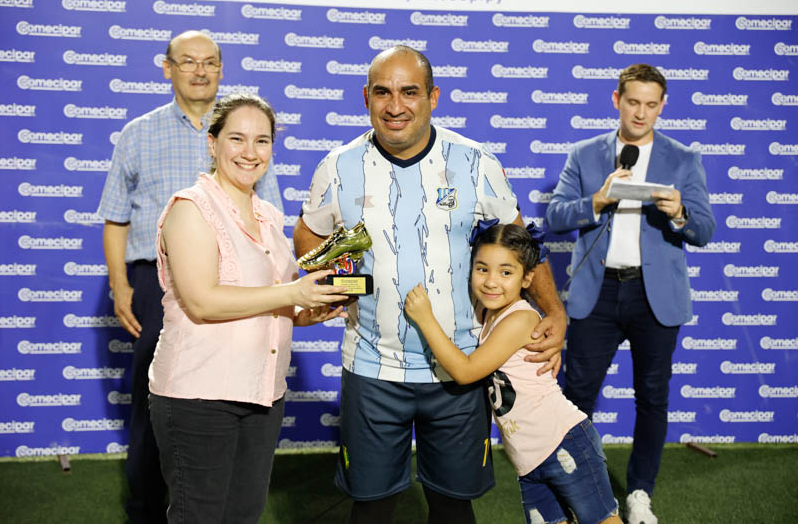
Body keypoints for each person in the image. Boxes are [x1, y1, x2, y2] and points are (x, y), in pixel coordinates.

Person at [293, 45, 568, 524]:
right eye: (382, 92)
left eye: (409, 92)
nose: (395, 105)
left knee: (451, 504)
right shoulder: (337, 165)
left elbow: (521, 244)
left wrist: (555, 312)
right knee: (372, 506)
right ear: (366, 98)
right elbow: (309, 235)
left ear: (433, 97)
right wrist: (336, 282)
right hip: (371, 368)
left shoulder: (476, 162)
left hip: (459, 368)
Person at [97, 31, 282, 523]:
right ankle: (146, 509)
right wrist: (120, 286)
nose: (199, 71)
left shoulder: (245, 134)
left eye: (209, 62)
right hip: (162, 286)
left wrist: (301, 300)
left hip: (248, 279)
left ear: (221, 69)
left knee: (237, 476)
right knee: (160, 408)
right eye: (187, 62)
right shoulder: (140, 133)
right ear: (168, 68)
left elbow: (270, 231)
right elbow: (115, 217)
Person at [148, 93, 348, 523]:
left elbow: (271, 302)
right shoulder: (191, 209)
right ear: (212, 142)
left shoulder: (269, 217)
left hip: (261, 394)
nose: (250, 152)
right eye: (237, 138)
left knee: (244, 514)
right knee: (198, 515)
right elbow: (202, 301)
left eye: (262, 141)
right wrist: (292, 295)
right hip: (198, 394)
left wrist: (309, 310)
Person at [545, 63, 715, 524]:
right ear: (616, 100)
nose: (641, 113)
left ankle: (639, 493)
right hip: (596, 296)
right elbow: (556, 216)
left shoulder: (682, 158)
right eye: (633, 102)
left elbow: (705, 231)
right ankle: (576, 488)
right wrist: (597, 201)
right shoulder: (584, 154)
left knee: (652, 397)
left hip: (653, 296)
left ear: (662, 106)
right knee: (577, 394)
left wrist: (680, 212)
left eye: (651, 104)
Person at [404, 222, 622, 524]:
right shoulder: (487, 313)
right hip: (527, 459)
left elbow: (466, 372)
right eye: (482, 269)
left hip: (564, 439)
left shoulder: (519, 318)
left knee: (602, 521)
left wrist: (425, 319)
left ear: (527, 278)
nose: (492, 281)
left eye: (506, 273)